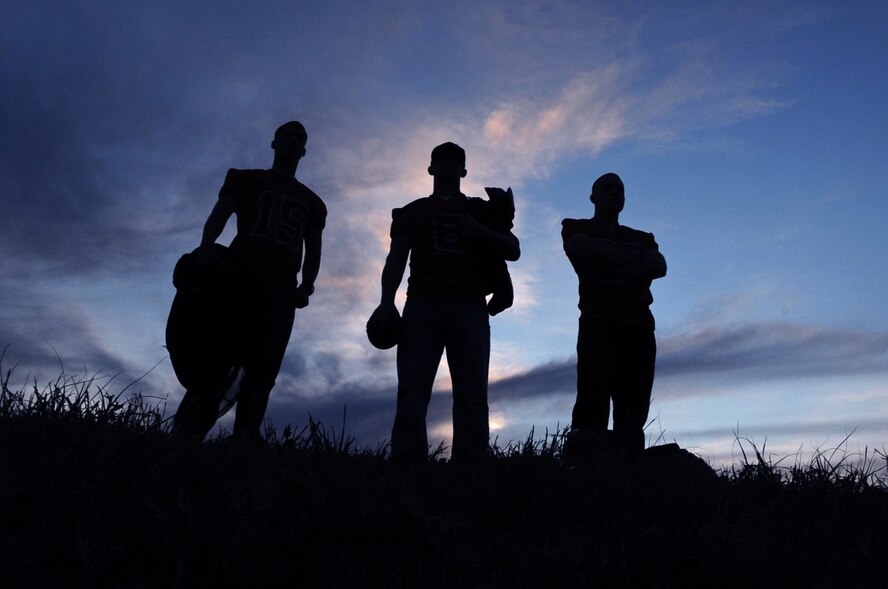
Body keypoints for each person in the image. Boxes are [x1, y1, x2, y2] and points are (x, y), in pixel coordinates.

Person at [171, 121, 326, 443]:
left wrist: (307, 285)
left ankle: (246, 434)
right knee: (219, 358)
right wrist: (205, 248)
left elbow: (313, 248)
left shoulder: (312, 201)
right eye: (286, 135)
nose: (292, 141)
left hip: (281, 289)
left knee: (264, 369)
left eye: (299, 138)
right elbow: (220, 213)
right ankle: (188, 430)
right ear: (274, 143)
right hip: (239, 279)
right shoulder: (247, 178)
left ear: (305, 150)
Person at [372, 142, 520, 462]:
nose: (449, 165)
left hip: (469, 305)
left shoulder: (479, 209)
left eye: (456, 161)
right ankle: (408, 463)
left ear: (464, 171)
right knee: (413, 389)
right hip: (422, 305)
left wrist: (478, 230)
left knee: (472, 393)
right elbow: (396, 258)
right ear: (430, 168)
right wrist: (386, 302)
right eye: (442, 160)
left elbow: (513, 248)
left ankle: (471, 464)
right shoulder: (412, 211)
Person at [561, 173, 666, 457]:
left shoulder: (642, 238)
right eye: (607, 187)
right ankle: (584, 470)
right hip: (599, 323)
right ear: (593, 197)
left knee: (633, 407)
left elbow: (658, 267)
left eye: (620, 189)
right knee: (592, 400)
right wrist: (635, 266)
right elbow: (582, 248)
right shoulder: (575, 227)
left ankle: (627, 471)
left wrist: (607, 263)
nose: (614, 192)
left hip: (639, 328)